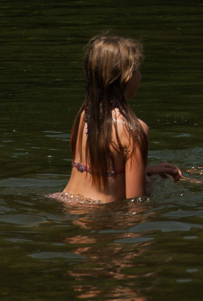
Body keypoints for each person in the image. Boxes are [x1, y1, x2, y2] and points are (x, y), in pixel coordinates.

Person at [56, 35, 182, 203]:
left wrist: (145, 171)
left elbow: (99, 174)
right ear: (127, 77)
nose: (140, 76)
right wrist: (147, 184)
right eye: (137, 70)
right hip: (101, 217)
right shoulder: (134, 129)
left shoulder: (85, 115)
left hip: (64, 203)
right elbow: (135, 203)